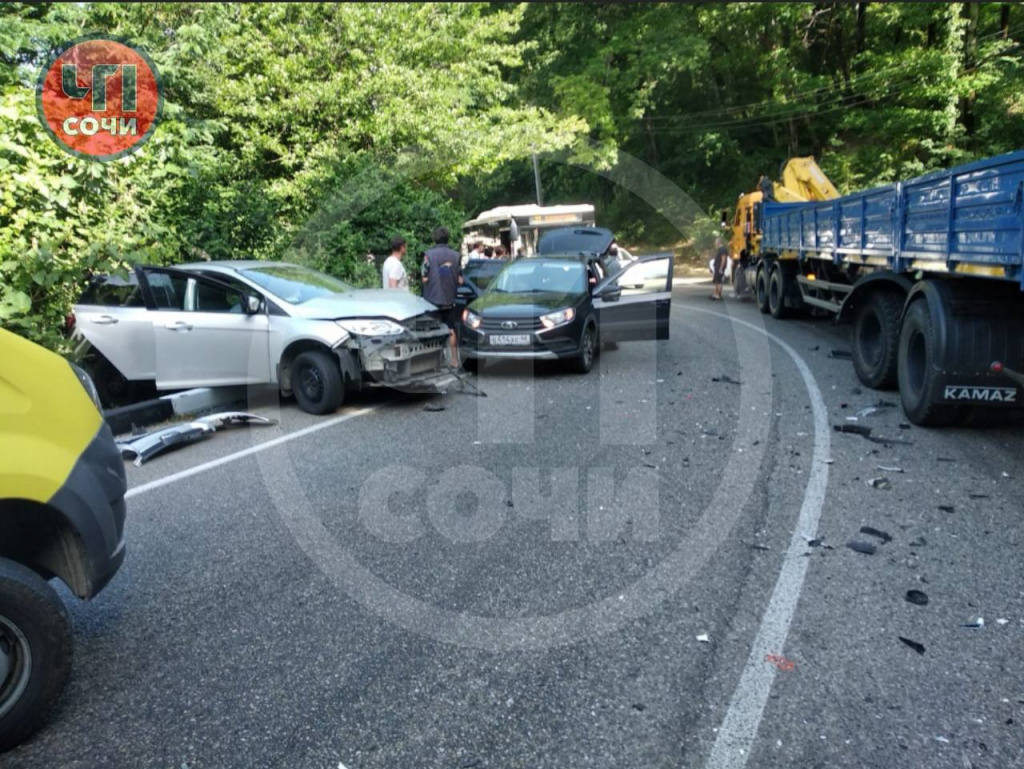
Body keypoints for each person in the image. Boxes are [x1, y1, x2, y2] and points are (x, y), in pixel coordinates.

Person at [421, 226, 464, 368]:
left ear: (435, 239)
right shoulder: (456, 256)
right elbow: (460, 280)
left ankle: (435, 362)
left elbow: (424, 278)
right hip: (450, 299)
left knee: (433, 330)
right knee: (450, 328)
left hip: (432, 299)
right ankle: (454, 360)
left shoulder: (428, 255)